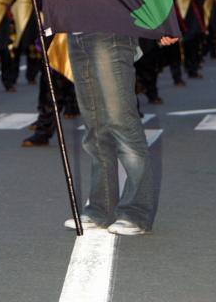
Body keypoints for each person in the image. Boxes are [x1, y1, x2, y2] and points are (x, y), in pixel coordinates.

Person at [65, 28, 179, 235]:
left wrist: (163, 23)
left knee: (122, 124)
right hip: (76, 31)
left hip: (110, 28)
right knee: (95, 127)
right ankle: (100, 210)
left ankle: (136, 213)